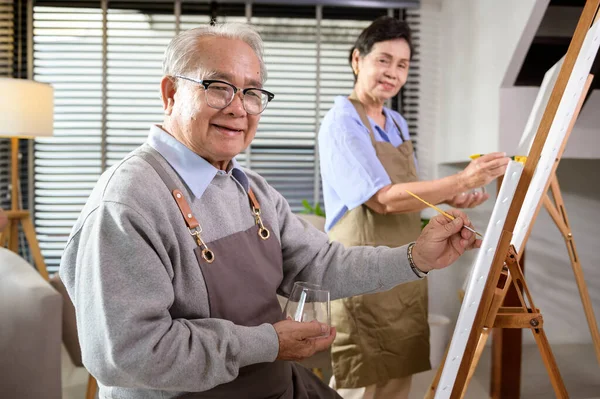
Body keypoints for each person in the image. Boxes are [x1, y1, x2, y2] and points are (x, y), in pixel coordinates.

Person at [60, 22, 481, 399]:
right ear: (171, 93)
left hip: (274, 384)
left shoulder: (250, 188)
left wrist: (415, 258)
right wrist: (269, 343)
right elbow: (127, 354)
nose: (239, 108)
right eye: (218, 86)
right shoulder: (127, 203)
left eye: (252, 92)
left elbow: (323, 263)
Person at [318, 16, 510, 399]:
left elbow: (411, 192)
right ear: (358, 60)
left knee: (397, 377)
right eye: (384, 60)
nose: (392, 73)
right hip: (361, 266)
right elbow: (384, 198)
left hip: (405, 266)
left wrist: (453, 198)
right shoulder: (343, 121)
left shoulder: (397, 122)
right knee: (360, 377)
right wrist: (461, 181)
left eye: (402, 65)